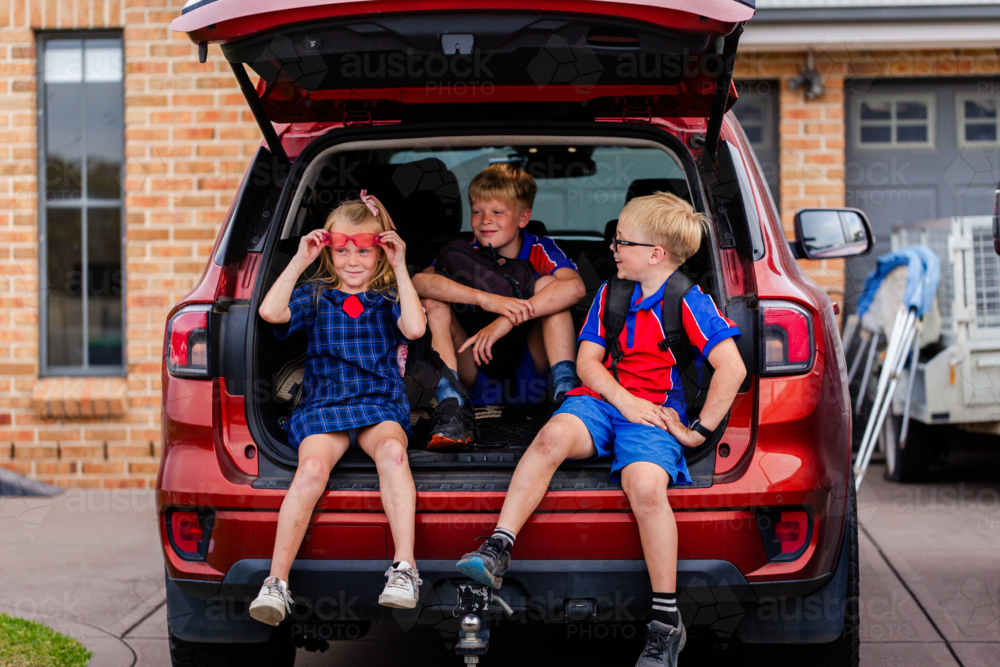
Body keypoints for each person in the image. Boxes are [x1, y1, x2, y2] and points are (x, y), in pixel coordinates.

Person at [454, 192, 747, 666]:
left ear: (656, 254)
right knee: (550, 437)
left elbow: (731, 368)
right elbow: (587, 364)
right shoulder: (612, 293)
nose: (612, 247)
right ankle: (497, 548)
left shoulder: (690, 302)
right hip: (603, 401)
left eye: (622, 241)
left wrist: (699, 432)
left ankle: (665, 622)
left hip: (655, 414)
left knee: (646, 487)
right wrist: (623, 400)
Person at [250, 191, 426, 625]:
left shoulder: (388, 296)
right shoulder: (316, 295)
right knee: (310, 470)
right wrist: (300, 260)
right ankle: (276, 582)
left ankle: (405, 568)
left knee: (393, 453)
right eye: (341, 250)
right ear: (328, 251)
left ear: (380, 252)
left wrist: (400, 265)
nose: (352, 260)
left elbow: (415, 328)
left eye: (363, 251)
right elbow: (270, 311)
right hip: (324, 405)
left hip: (378, 403)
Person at [413, 163, 586, 449]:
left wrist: (505, 320)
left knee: (550, 287)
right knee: (433, 300)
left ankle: (566, 395)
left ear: (523, 217)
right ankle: (451, 405)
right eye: (477, 212)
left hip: (532, 375)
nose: (485, 221)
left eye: (497, 212)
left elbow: (575, 287)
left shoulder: (539, 248)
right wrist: (488, 300)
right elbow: (419, 282)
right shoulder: (463, 252)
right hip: (475, 370)